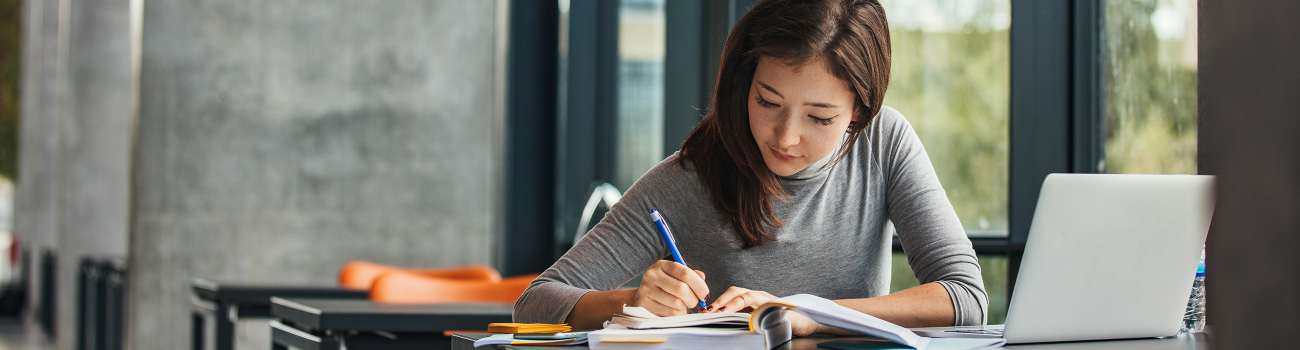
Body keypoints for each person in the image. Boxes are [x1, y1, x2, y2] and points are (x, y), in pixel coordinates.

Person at [514, 0, 987, 336]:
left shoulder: (884, 143)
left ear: (859, 113)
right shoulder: (690, 178)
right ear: (744, 83)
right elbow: (534, 302)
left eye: (820, 117)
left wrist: (809, 313)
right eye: (767, 101)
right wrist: (631, 303)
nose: (785, 137)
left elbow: (965, 297)